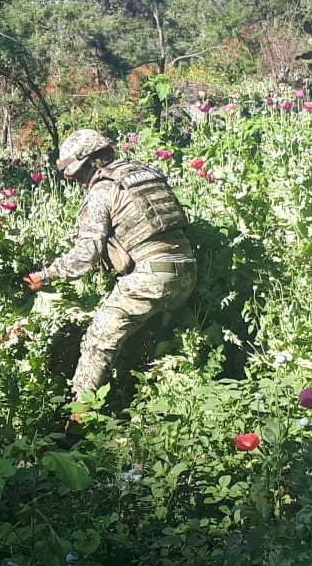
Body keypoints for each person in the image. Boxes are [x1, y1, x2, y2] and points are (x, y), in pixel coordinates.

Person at [23, 129, 196, 418]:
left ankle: (77, 423)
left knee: (98, 342)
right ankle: (142, 398)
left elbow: (85, 255)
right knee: (144, 338)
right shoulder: (143, 172)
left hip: (152, 276)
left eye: (75, 174)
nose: (75, 181)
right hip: (187, 270)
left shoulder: (103, 188)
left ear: (90, 163)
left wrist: (46, 274)